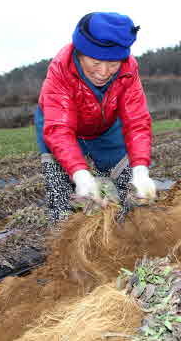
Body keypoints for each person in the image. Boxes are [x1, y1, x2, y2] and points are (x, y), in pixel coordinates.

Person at [34, 12, 156, 224]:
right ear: (80, 54)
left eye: (113, 64)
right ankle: (67, 247)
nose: (103, 72)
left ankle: (121, 241)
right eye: (96, 62)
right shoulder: (60, 69)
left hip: (106, 129)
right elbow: (60, 130)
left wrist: (141, 170)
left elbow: (137, 121)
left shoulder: (128, 70)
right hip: (59, 129)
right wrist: (80, 175)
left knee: (131, 191)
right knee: (62, 202)